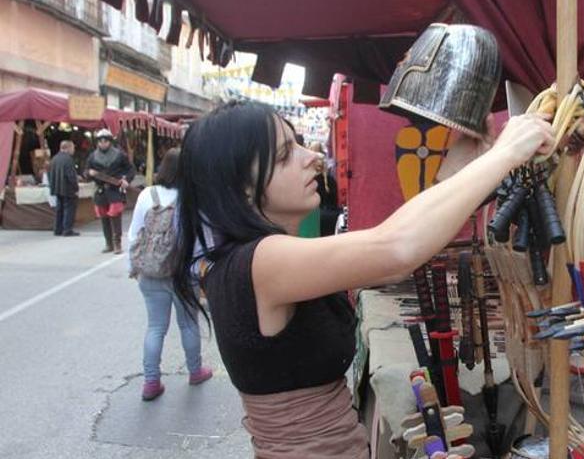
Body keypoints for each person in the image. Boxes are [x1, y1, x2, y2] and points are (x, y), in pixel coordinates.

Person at [171, 99, 551, 457]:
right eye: (286, 154)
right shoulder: (261, 263)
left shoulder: (257, 259)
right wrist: (506, 153)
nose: (313, 158)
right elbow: (395, 248)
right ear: (243, 186)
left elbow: (399, 248)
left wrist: (462, 171)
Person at [128, 148, 212, 401]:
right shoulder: (193, 198)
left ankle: (151, 382)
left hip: (151, 273)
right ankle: (195, 371)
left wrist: (134, 267)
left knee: (155, 327)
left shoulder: (147, 195)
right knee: (188, 324)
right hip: (184, 273)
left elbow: (134, 234)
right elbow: (203, 240)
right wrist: (202, 270)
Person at [86, 128, 135, 254]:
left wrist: (126, 180)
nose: (103, 143)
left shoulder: (120, 155)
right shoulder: (92, 157)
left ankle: (117, 244)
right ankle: (108, 243)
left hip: (114, 190)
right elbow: (86, 171)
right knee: (104, 218)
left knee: (115, 217)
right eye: (100, 141)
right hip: (101, 190)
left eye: (105, 141)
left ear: (110, 141)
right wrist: (89, 173)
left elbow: (130, 170)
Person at [47, 140, 80, 236]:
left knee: (59, 209)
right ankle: (67, 229)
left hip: (57, 188)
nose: (73, 150)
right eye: (73, 147)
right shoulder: (68, 159)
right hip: (67, 188)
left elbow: (49, 174)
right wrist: (76, 188)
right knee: (69, 209)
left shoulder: (54, 159)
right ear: (68, 148)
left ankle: (58, 229)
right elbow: (71, 176)